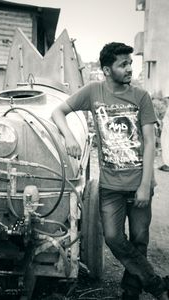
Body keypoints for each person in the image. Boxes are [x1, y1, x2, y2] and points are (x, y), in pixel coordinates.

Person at [51, 42, 169, 300]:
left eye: (131, 63)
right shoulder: (94, 91)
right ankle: (156, 284)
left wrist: (144, 186)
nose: (130, 69)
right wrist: (69, 136)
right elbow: (58, 112)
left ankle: (131, 292)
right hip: (110, 186)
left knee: (139, 240)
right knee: (114, 238)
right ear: (106, 69)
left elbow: (150, 142)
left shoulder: (141, 97)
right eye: (123, 64)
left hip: (139, 182)